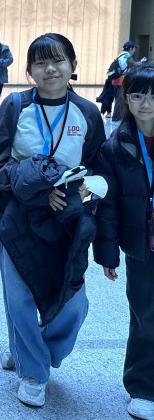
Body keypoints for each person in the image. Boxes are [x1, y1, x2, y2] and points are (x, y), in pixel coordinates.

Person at [0, 33, 104, 407]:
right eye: (41, 62)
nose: (50, 69)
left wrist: (85, 191)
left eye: (58, 60)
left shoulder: (87, 112)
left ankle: (32, 350)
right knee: (19, 300)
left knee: (74, 302)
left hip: (67, 219)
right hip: (18, 216)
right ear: (30, 70)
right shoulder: (16, 106)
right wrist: (37, 187)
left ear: (73, 66)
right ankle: (33, 372)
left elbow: (97, 166)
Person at [94, 64, 154, 420]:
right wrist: (108, 254)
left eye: (153, 96)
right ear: (125, 99)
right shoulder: (115, 148)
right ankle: (143, 387)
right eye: (137, 95)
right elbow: (109, 205)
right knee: (145, 315)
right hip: (143, 246)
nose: (146, 104)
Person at [111, 41, 140, 122]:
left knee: (118, 98)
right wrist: (141, 63)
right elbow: (133, 65)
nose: (134, 51)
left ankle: (117, 116)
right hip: (121, 80)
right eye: (134, 48)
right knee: (120, 99)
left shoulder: (121, 54)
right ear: (131, 48)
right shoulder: (127, 56)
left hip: (116, 80)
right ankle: (116, 117)